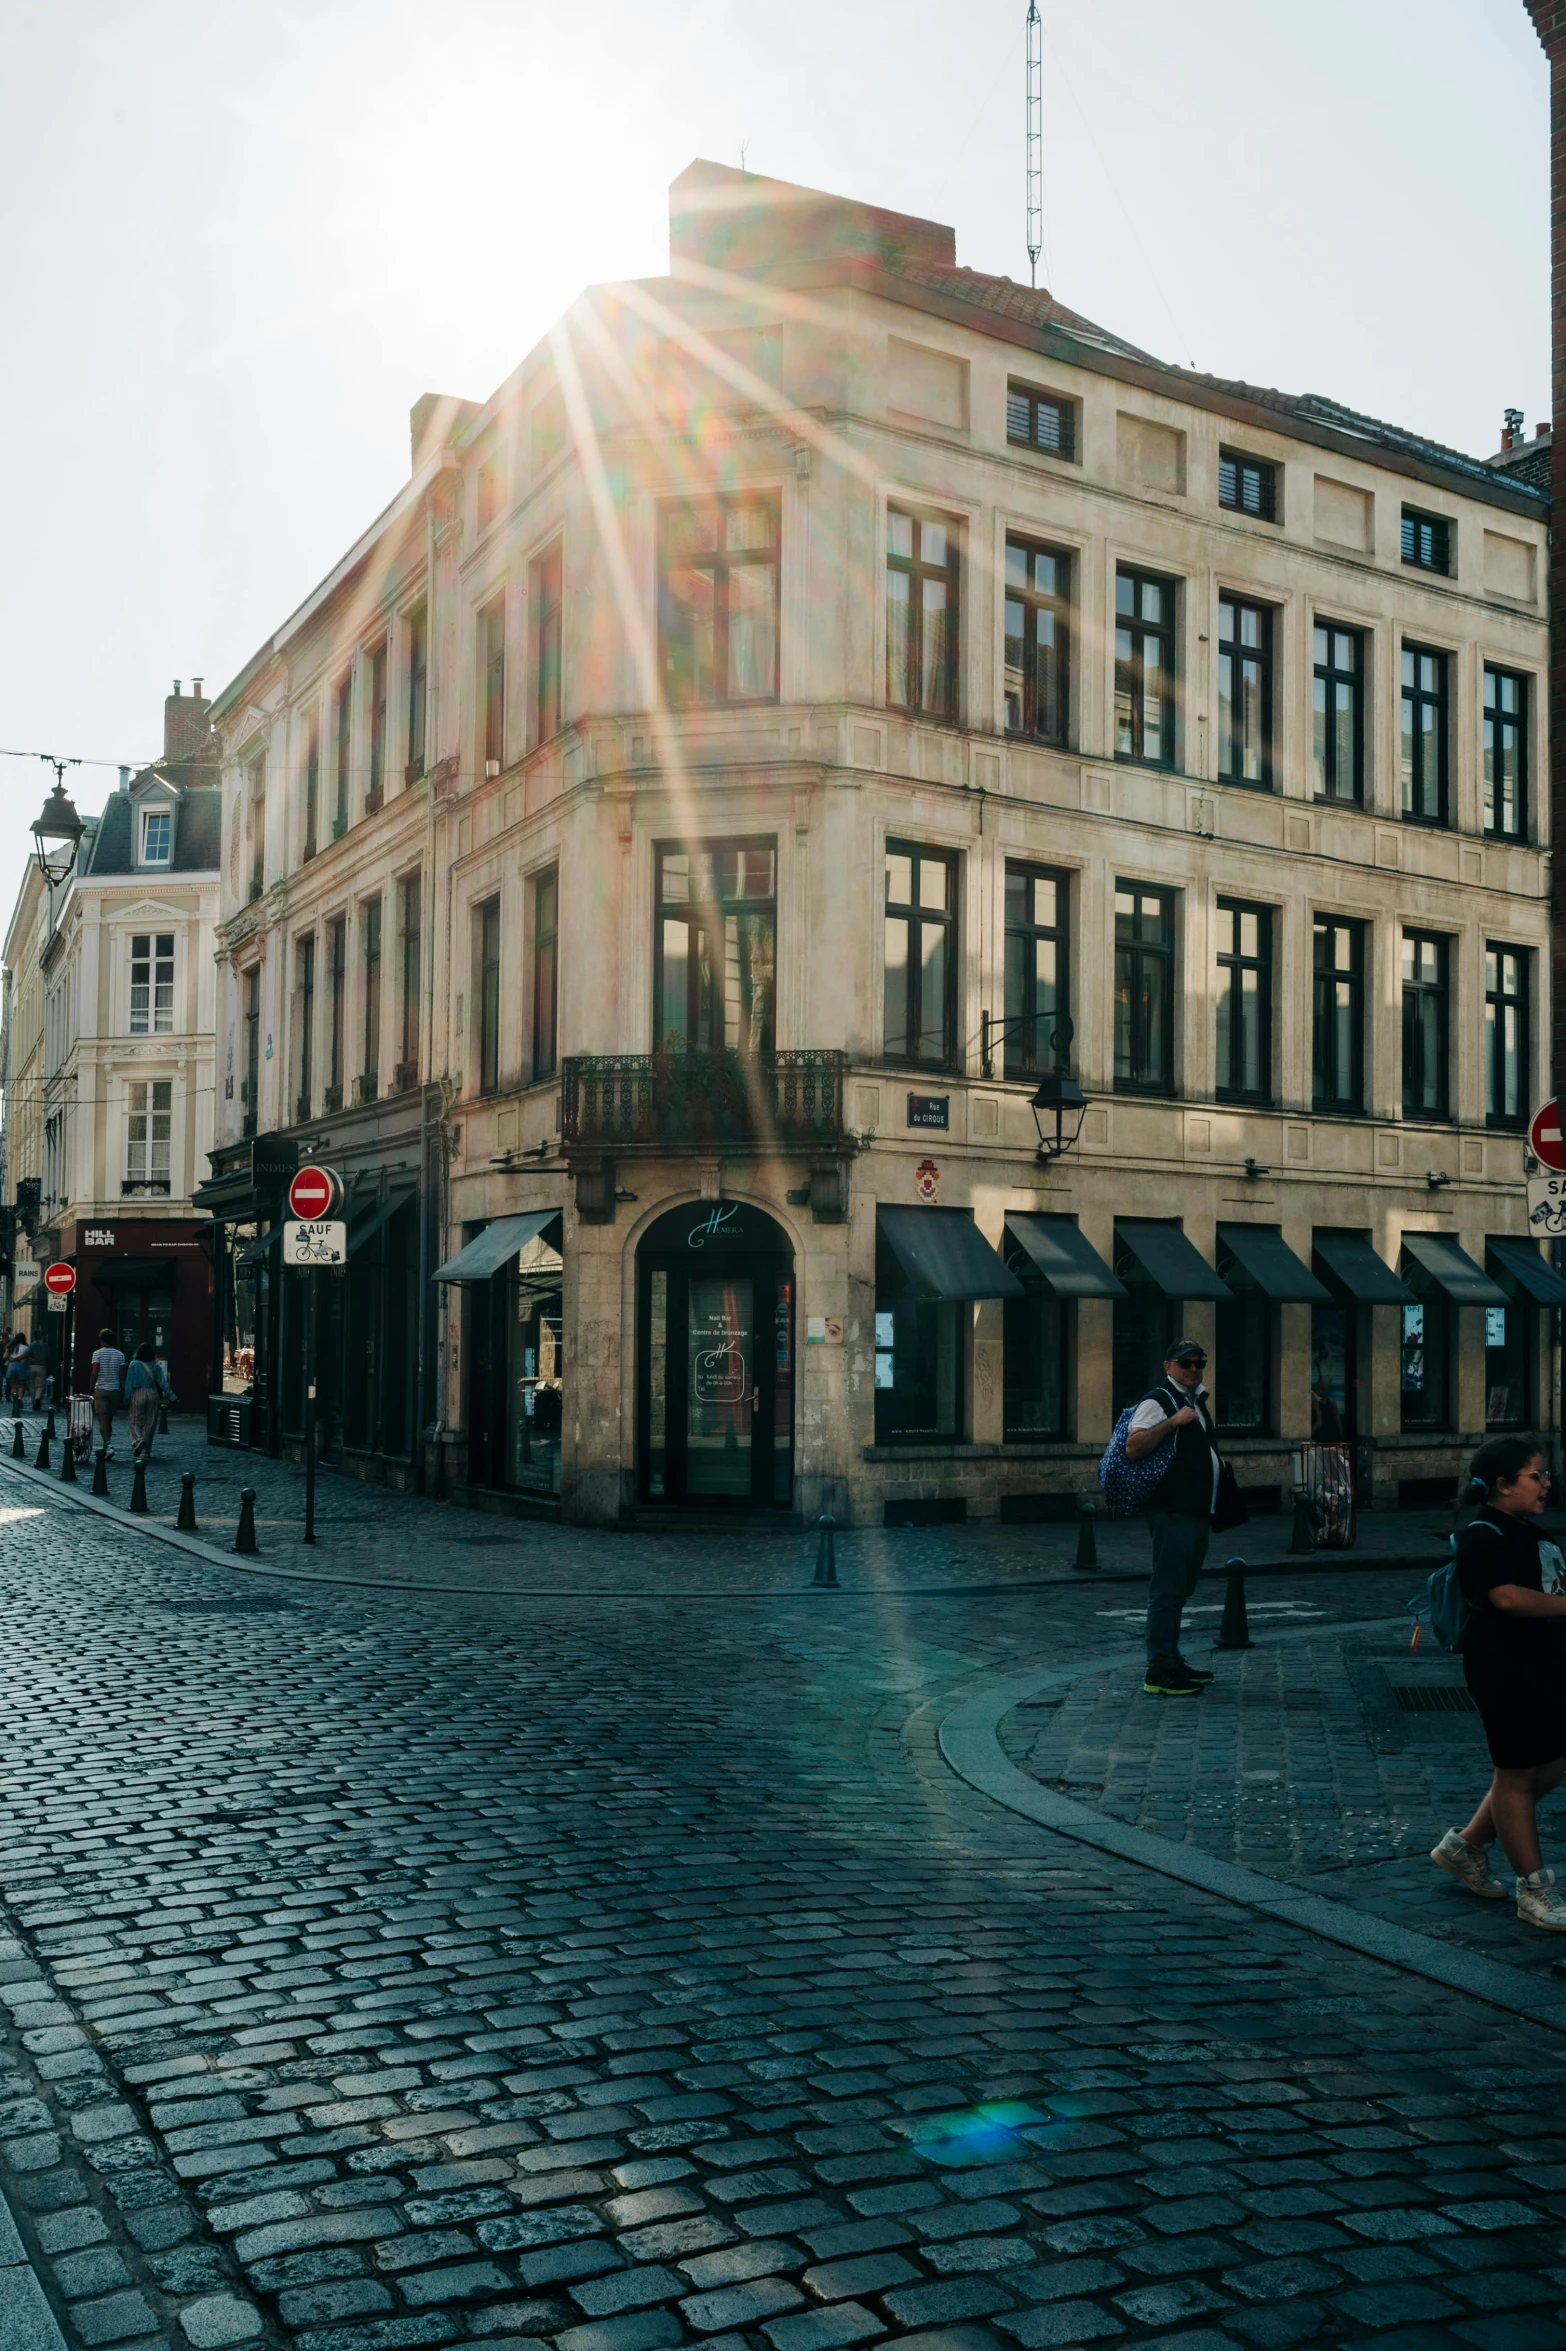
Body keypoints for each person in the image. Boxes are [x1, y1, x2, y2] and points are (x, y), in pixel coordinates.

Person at [1431, 1434, 1566, 1931]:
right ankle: (1534, 1890)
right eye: (1537, 1476)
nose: (1546, 1483)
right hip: (1504, 1666)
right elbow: (1507, 1598)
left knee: (1548, 1768)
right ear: (1504, 1485)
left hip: (1546, 1662)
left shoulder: (1530, 1531)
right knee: (1515, 1775)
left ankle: (1464, 1847)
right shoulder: (1483, 1534)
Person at [1125, 1337, 1222, 1698]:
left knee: (1181, 1588)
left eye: (1200, 1362)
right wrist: (1174, 1421)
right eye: (1186, 1363)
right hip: (1173, 1512)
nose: (1194, 1369)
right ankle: (1160, 1669)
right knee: (1167, 1590)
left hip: (1196, 1512)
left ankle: (1172, 1658)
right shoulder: (1159, 1400)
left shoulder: (1195, 1400)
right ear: (1169, 1367)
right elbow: (1134, 1447)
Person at [89, 1327, 126, 1454]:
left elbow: (94, 1372)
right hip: (115, 1390)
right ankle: (108, 1443)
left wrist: (91, 1387)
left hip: (101, 1389)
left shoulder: (97, 1353)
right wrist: (123, 1389)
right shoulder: (120, 1355)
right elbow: (122, 1375)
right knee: (109, 1420)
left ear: (101, 1340)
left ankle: (108, 1444)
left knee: (102, 1420)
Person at [124, 1343, 161, 1464]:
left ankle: (138, 1440)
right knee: (150, 1423)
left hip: (138, 1393)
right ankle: (147, 1451)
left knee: (135, 1420)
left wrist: (126, 1398)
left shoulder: (133, 1365)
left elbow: (129, 1383)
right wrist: (172, 1395)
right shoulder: (155, 1365)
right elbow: (162, 1382)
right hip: (153, 1394)